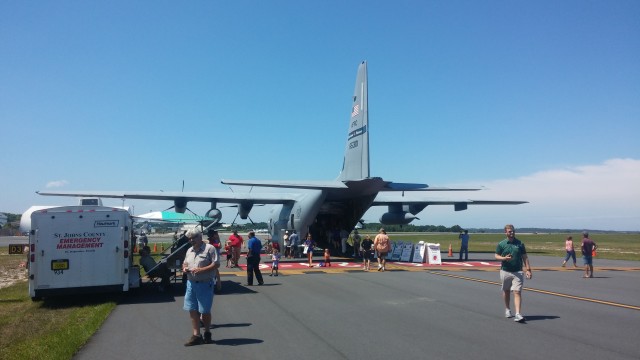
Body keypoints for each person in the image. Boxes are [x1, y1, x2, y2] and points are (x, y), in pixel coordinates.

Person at [182, 228, 219, 346]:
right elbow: (185, 263)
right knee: (192, 309)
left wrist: (201, 270)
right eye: (190, 238)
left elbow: (216, 264)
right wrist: (184, 268)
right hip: (191, 284)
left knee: (205, 311)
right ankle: (196, 335)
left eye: (194, 237)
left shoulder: (210, 249)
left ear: (200, 236)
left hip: (204, 283)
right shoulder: (189, 250)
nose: (192, 240)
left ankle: (207, 332)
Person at [495, 224, 532, 323]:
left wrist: (528, 269)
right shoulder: (501, 244)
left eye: (513, 231)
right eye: (510, 231)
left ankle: (518, 314)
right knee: (506, 291)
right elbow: (496, 255)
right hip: (505, 271)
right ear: (506, 232)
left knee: (517, 291)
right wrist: (504, 258)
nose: (512, 233)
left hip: (518, 271)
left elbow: (524, 257)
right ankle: (507, 309)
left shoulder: (520, 243)